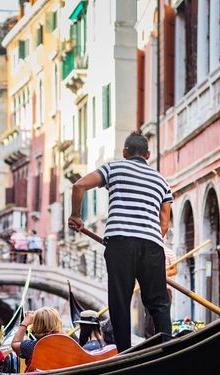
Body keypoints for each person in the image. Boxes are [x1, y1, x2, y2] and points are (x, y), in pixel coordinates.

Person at [68, 132, 173, 352]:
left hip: (120, 242)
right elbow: (164, 223)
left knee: (120, 300)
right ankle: (167, 348)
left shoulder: (113, 168)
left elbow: (78, 186)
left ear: (125, 152)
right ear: (148, 155)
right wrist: (148, 238)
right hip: (152, 244)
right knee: (158, 302)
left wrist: (76, 216)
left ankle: (124, 352)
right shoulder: (161, 181)